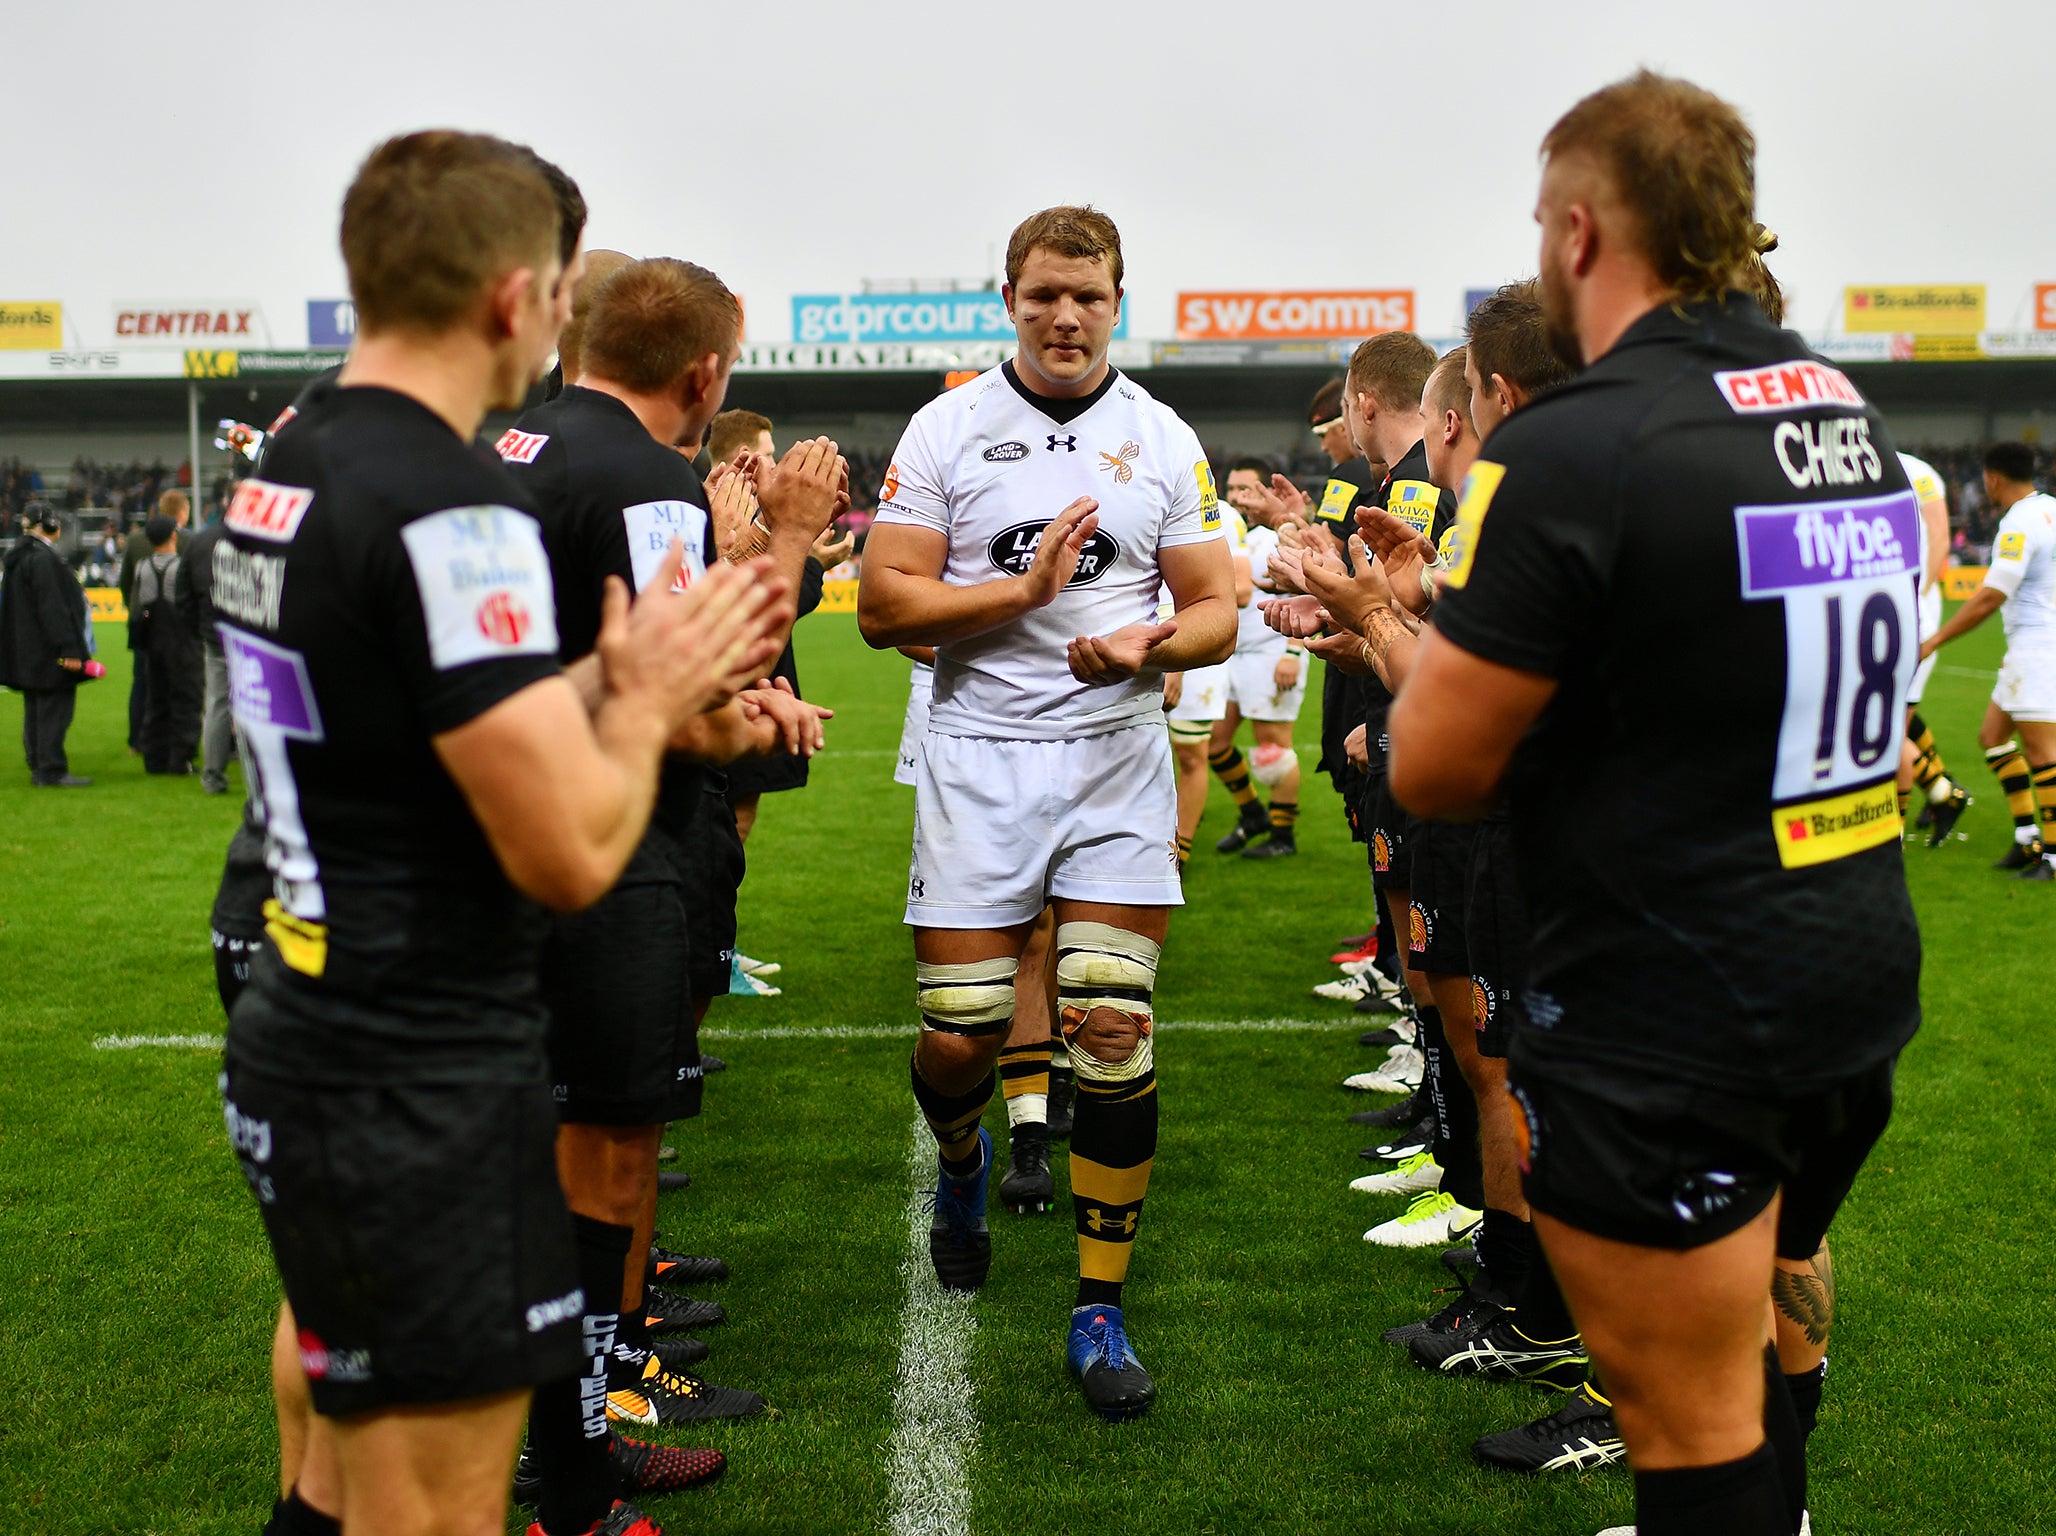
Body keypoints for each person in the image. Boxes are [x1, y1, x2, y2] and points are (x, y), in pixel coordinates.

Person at [214, 130, 786, 1536]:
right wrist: (648, 706)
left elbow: (403, 719)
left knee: (335, 1469)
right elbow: (568, 855)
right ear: (517, 296)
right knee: (437, 1508)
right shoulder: (445, 503)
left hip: (311, 1017)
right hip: (419, 1065)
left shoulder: (292, 459)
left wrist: (600, 676)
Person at [1391, 72, 1921, 1536]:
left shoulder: (1572, 441)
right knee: (1745, 1382)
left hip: (1672, 995)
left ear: (1576, 232)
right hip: (1848, 964)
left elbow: (1431, 764)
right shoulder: (1839, 404)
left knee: (1691, 1436)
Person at [857, 204, 1235, 1420]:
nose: (1065, 317)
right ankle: (962, 1162)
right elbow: (882, 605)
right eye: (1042, 297)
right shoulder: (948, 424)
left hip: (1113, 759)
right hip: (977, 758)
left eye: (1088, 295)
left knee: (1112, 1030)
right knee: (965, 1032)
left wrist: (1146, 644)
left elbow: (1216, 609)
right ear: (1008, 301)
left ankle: (1099, 1309)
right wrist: (1019, 591)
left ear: (1119, 299)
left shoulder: (1162, 435)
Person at [496, 255, 840, 1532]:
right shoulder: (643, 479)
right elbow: (682, 686)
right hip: (612, 844)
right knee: (603, 1158)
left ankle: (542, 1441)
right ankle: (580, 1466)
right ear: (705, 373)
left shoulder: (506, 443)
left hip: (499, 838)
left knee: (531, 1152)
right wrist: (787, 576)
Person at [1919, 442, 2056, 877]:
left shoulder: (2017, 525)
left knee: (2043, 754)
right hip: (2032, 648)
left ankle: (2052, 857)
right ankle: (2026, 838)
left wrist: (1935, 638)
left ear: (1993, 478)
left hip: (2037, 647)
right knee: (1992, 736)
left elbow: (1991, 596)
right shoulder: (2051, 508)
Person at [1212, 456, 1308, 859]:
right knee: (1215, 742)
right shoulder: (1229, 530)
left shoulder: (1279, 535)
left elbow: (1308, 590)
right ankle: (1252, 813)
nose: (1236, 497)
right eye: (1231, 489)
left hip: (1273, 650)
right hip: (1233, 654)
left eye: (1245, 490)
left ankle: (1282, 836)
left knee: (1273, 748)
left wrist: (1292, 651)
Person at [1163, 494, 1251, 868]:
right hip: (1128, 641)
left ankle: (1178, 855)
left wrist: (1177, 662)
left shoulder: (1220, 515)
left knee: (1190, 753)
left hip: (1192, 647)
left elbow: (1241, 590)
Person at [0, 499, 94, 786]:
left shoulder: (18, 558)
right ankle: (51, 769)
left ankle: (39, 764)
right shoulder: (43, 560)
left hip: (27, 649)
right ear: (48, 525)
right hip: (48, 650)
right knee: (55, 708)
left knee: (36, 708)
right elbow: (53, 609)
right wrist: (68, 648)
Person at [131, 510, 204, 774]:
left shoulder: (142, 567)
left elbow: (138, 605)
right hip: (182, 641)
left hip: (153, 641)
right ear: (173, 535)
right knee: (186, 700)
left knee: (156, 700)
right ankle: (180, 759)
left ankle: (154, 758)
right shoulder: (182, 566)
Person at [119, 489, 189, 755]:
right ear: (183, 511)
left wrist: (134, 608)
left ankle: (137, 741)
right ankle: (175, 739)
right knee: (178, 683)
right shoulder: (186, 541)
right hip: (176, 624)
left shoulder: (136, 540)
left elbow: (125, 581)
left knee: (141, 681)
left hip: (143, 622)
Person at [181, 496, 236, 792]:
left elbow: (183, 591)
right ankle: (265, 778)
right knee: (261, 704)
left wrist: (198, 629)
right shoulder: (262, 538)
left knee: (216, 703)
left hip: (214, 633)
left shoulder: (200, 541)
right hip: (255, 633)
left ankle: (213, 775)